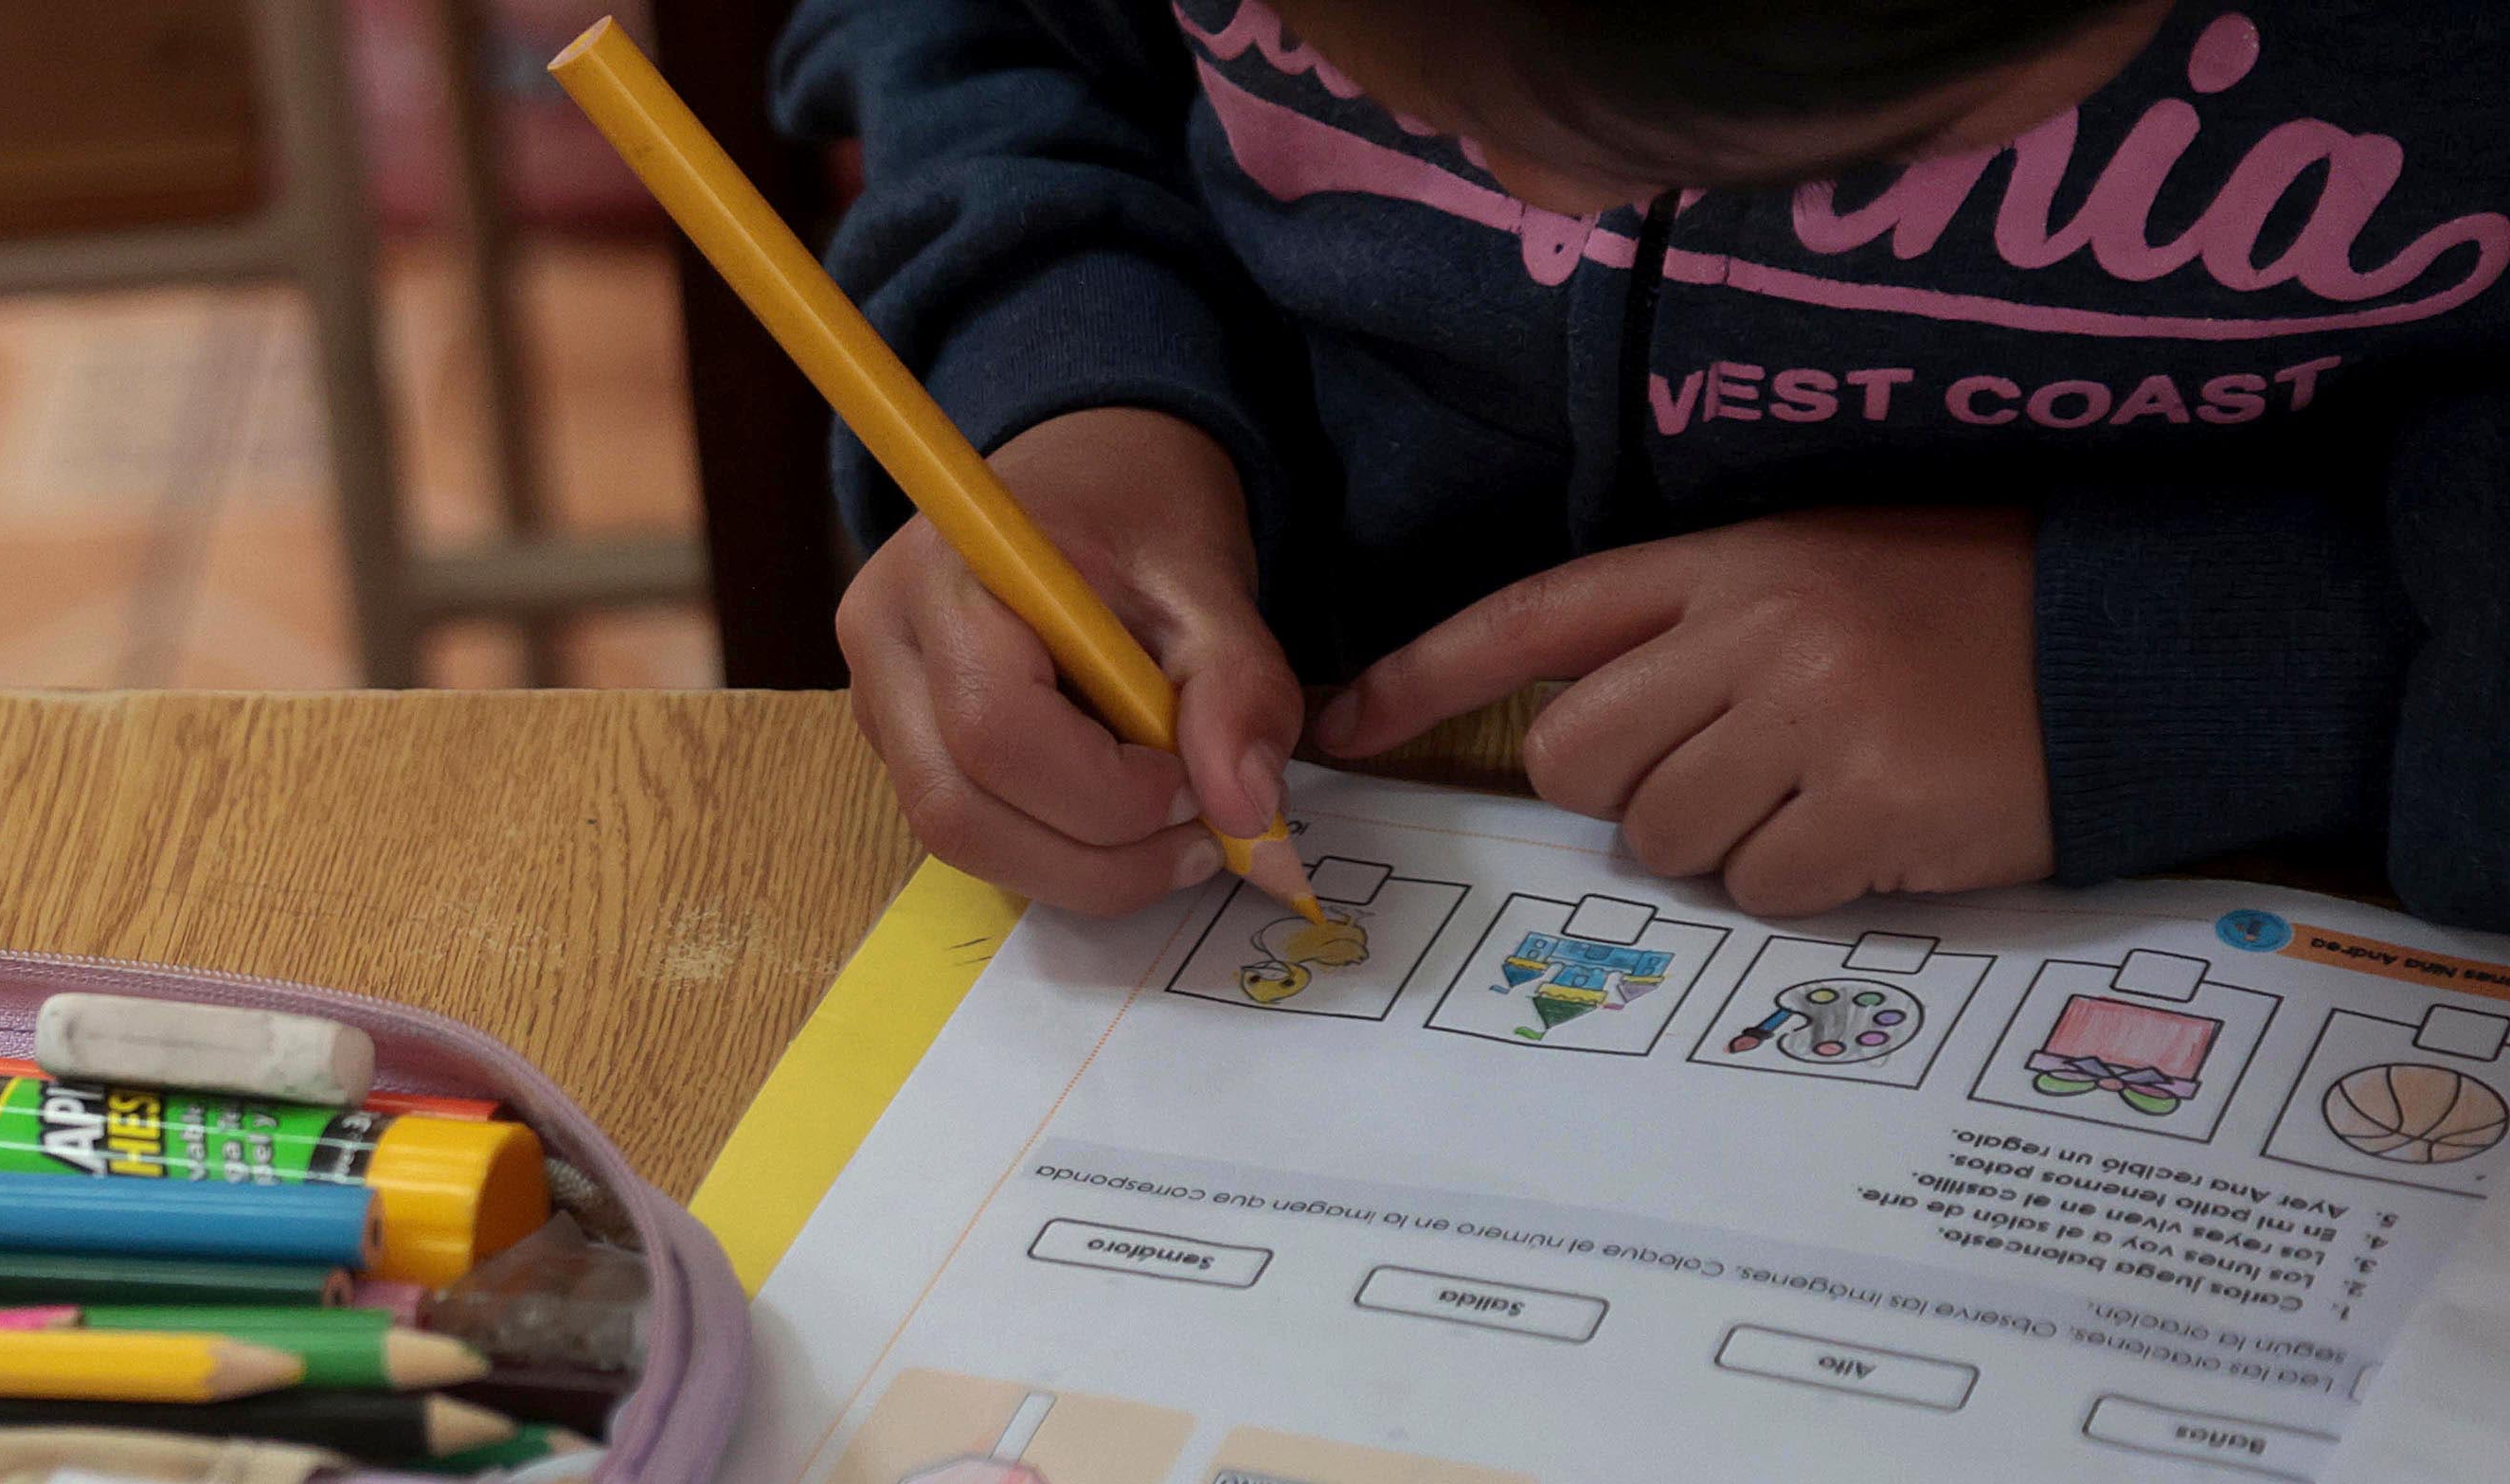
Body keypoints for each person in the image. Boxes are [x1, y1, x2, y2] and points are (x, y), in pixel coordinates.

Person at [781, 0, 2510, 925]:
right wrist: (1070, 401)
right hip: (1350, 796)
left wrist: (2190, 670)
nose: (1546, 219)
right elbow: (992, 39)